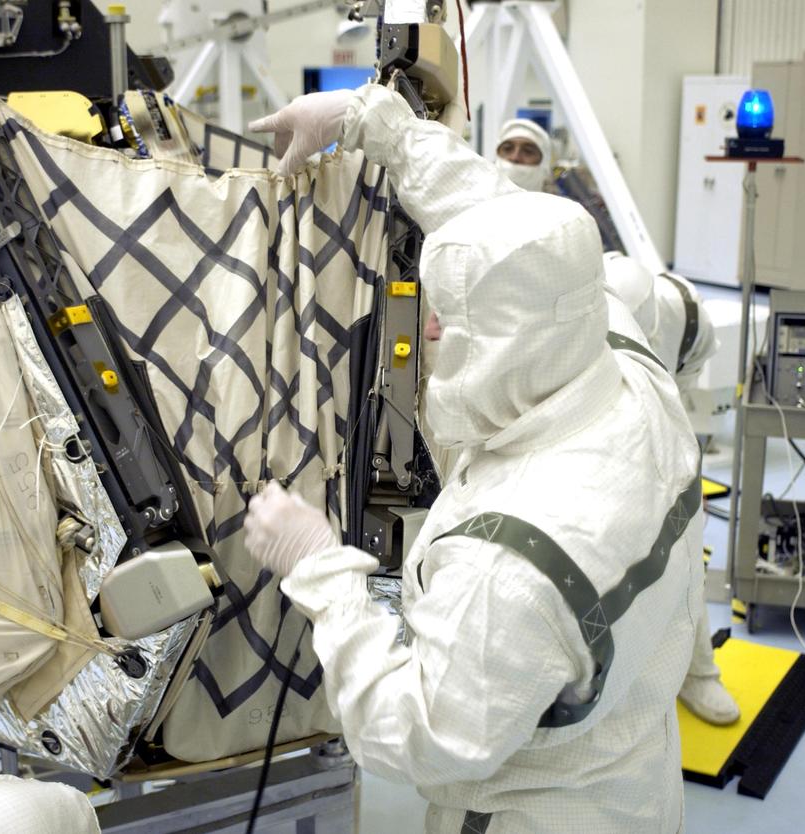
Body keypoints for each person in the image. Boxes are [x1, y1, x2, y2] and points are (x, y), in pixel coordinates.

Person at [246, 85, 704, 833]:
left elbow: (420, 735)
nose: (427, 327)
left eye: (450, 320)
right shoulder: (615, 349)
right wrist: (373, 122)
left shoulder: (515, 565)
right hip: (637, 778)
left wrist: (319, 567)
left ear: (504, 346)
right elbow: (504, 227)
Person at [603, 251, 741, 726]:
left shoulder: (688, 318)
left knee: (684, 545)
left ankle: (698, 673)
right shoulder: (586, 321)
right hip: (601, 428)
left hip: (665, 416)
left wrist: (679, 475)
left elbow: (678, 406)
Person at [494, 118, 553, 192]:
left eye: (528, 151)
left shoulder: (556, 203)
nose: (515, 157)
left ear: (543, 162)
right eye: (507, 149)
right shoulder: (479, 200)